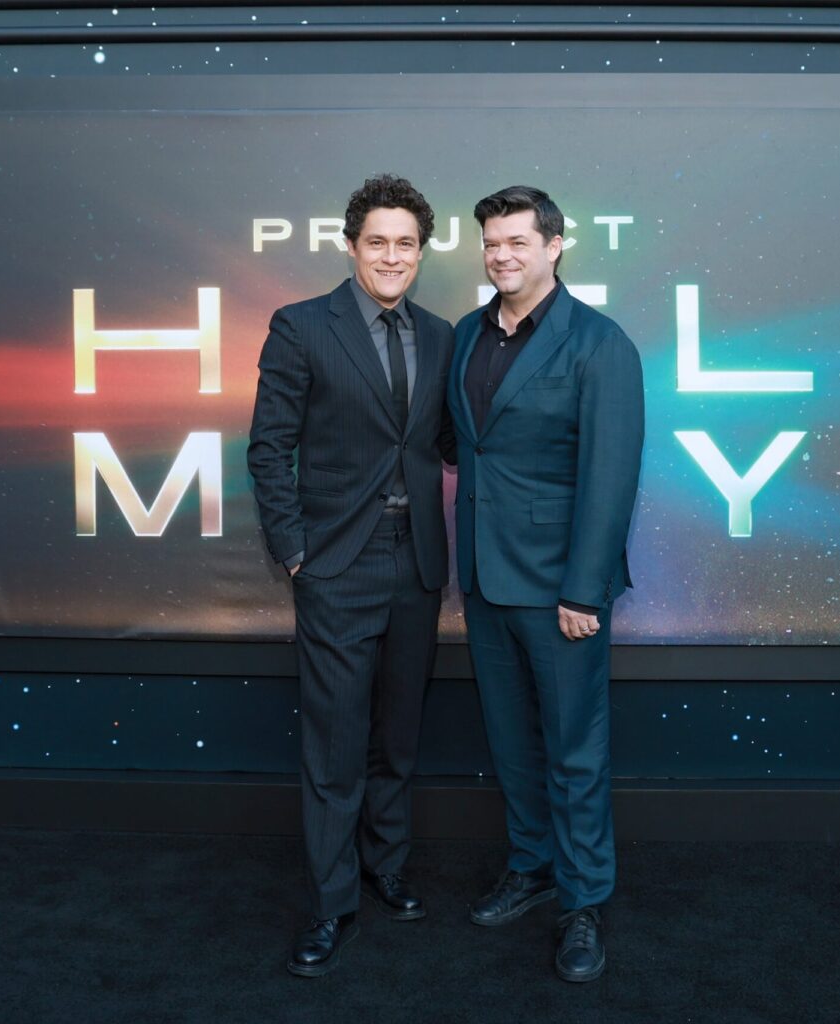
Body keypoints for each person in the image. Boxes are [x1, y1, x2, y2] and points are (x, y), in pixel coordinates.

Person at [247, 175, 455, 978]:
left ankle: (385, 866)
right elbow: (269, 447)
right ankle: (331, 903)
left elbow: (446, 442)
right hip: (336, 564)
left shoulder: (441, 335)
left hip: (418, 562)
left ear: (421, 252)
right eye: (378, 242)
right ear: (351, 247)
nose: (392, 256)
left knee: (396, 736)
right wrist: (295, 551)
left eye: (406, 244)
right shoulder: (302, 326)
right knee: (335, 745)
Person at [447, 185, 644, 983]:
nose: (501, 255)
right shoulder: (466, 334)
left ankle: (583, 900)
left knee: (574, 752)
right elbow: (466, 447)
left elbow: (610, 478)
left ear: (555, 247)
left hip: (561, 591)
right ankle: (530, 867)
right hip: (484, 580)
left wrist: (583, 593)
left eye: (517, 242)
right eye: (492, 243)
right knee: (512, 745)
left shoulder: (599, 343)